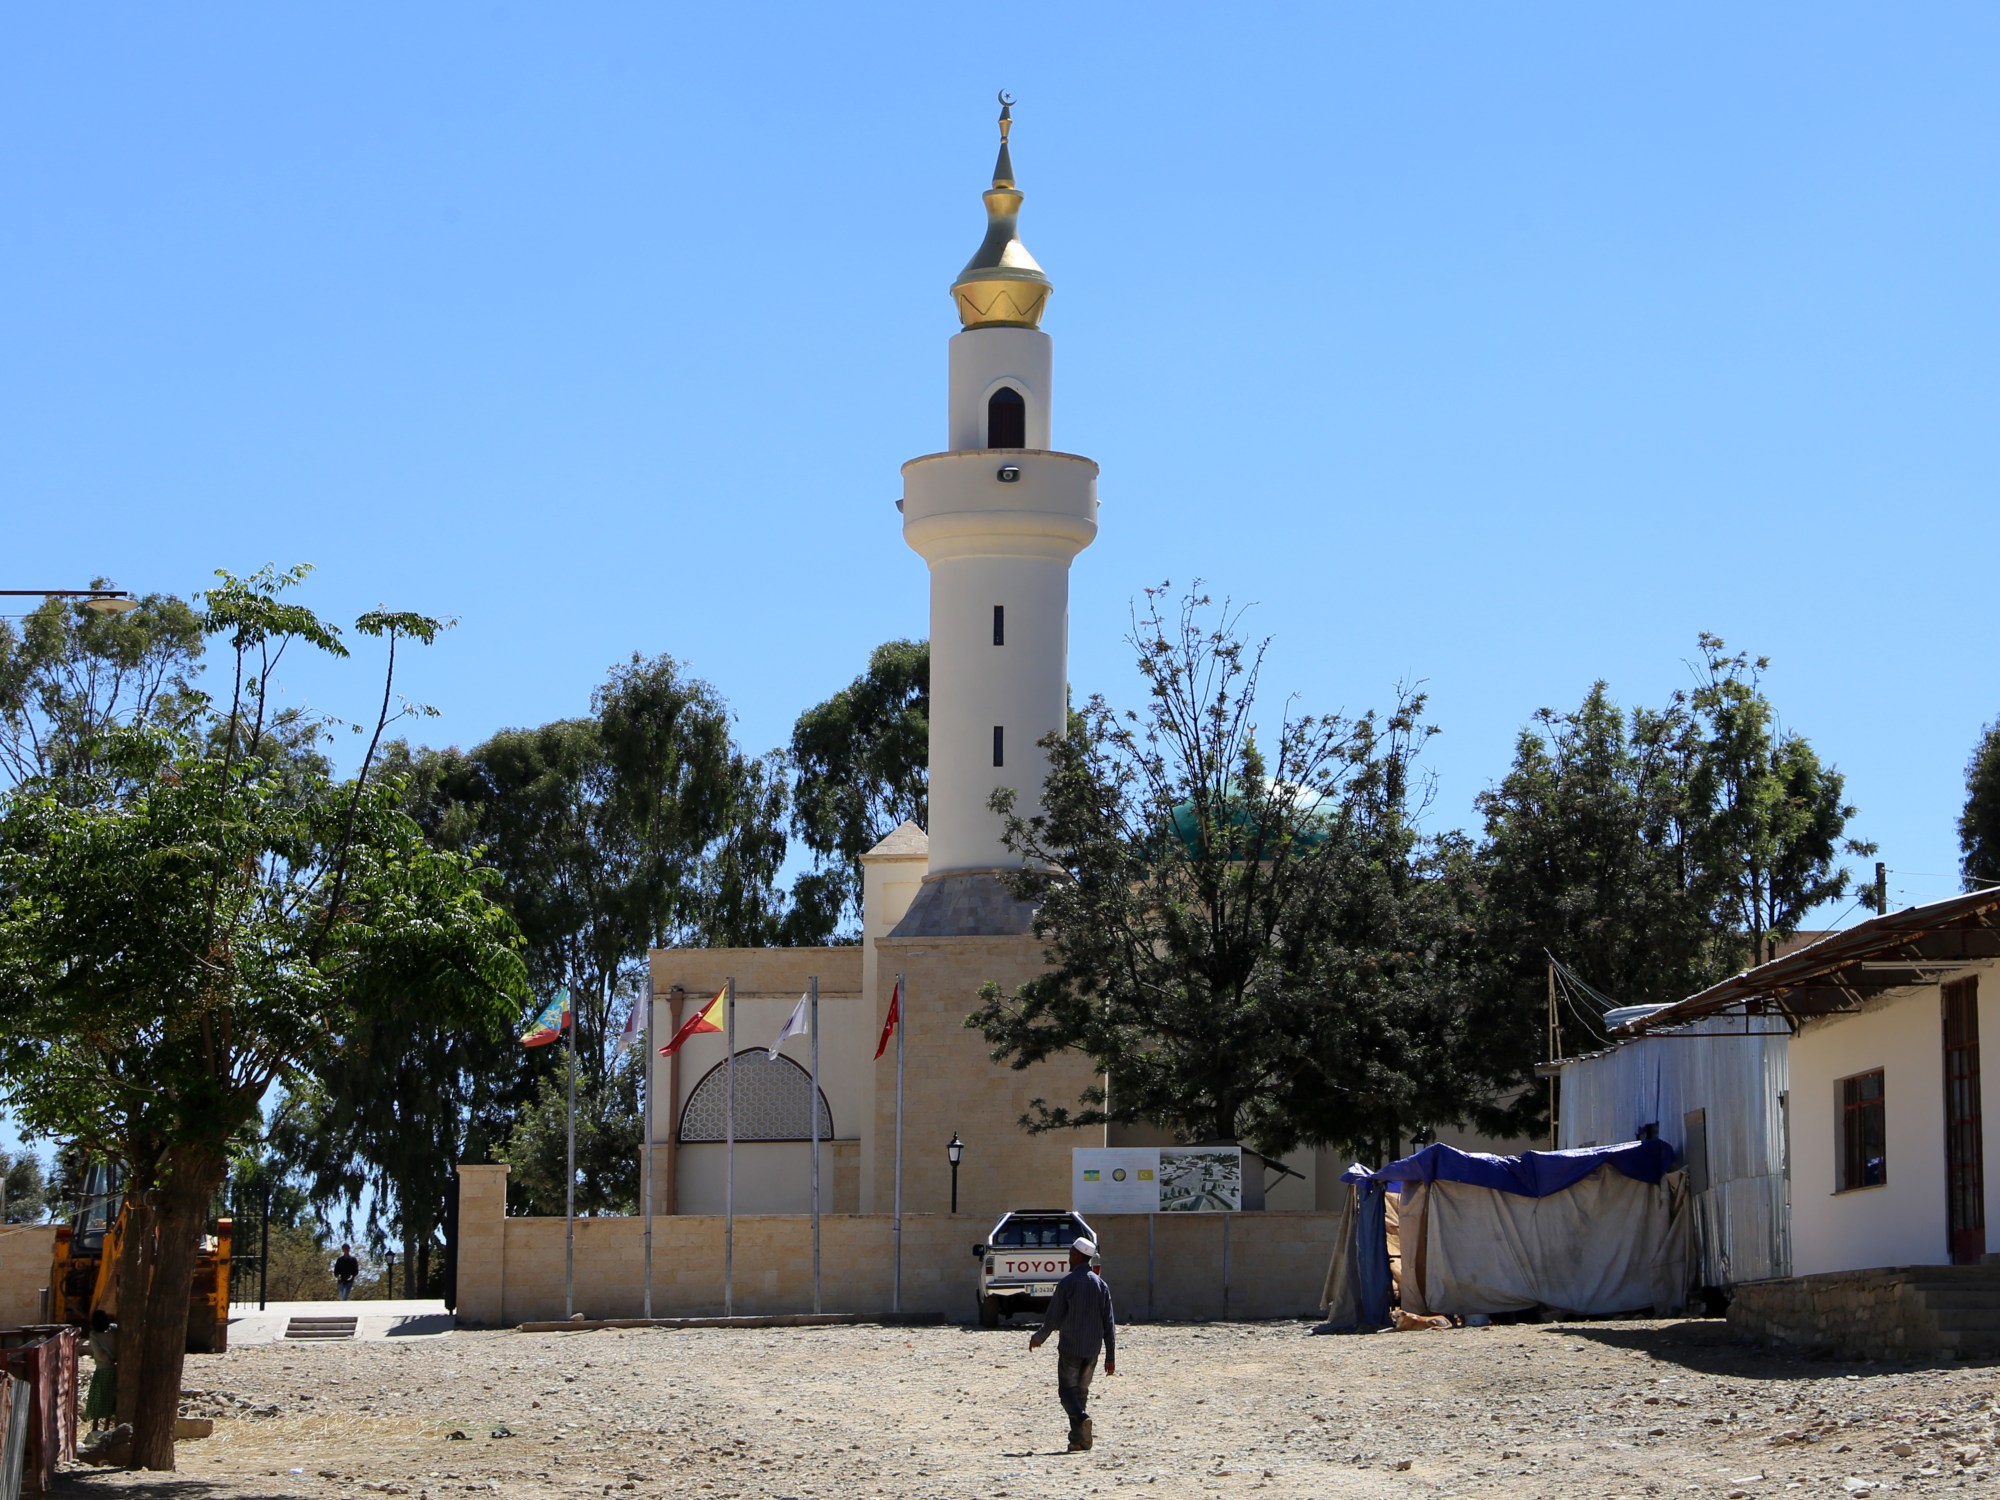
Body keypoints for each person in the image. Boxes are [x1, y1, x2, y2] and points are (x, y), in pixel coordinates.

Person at [1027, 1235, 1116, 1452]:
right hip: (1093, 1350)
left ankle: (1082, 1418)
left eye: (1070, 1254)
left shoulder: (1067, 1283)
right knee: (1081, 1393)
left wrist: (1039, 1337)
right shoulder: (1101, 1285)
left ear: (1076, 1256)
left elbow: (1054, 1317)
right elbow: (1109, 1322)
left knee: (1067, 1392)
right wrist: (1110, 1356)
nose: (1069, 1258)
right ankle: (1079, 1441)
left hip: (1070, 1348)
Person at [82, 1309, 118, 1430]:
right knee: (110, 1399)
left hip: (103, 1370)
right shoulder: (114, 1330)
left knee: (98, 1399)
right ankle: (106, 1427)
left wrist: (109, 1359)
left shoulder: (94, 1335)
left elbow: (100, 1353)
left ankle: (95, 1428)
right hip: (115, 1369)